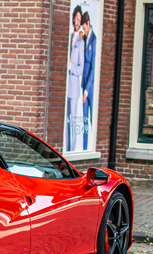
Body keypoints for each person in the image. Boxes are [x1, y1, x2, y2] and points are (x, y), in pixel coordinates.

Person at [66, 5, 84, 152]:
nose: (77, 21)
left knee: (72, 121)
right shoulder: (69, 36)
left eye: (80, 19)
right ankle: (65, 148)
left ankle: (71, 151)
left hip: (73, 86)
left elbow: (81, 68)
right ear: (73, 18)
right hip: (64, 86)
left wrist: (71, 66)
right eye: (76, 18)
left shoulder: (81, 42)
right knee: (64, 123)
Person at [81, 12, 96, 151]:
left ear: (88, 23)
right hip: (84, 85)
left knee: (90, 120)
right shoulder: (85, 38)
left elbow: (93, 68)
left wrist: (86, 90)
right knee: (85, 121)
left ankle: (89, 147)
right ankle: (85, 148)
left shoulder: (94, 40)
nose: (83, 30)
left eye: (84, 27)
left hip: (90, 88)